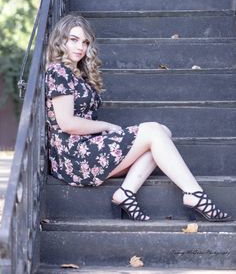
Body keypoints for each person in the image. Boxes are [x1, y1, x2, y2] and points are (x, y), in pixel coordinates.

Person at [45, 14, 231, 222]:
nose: (80, 46)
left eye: (85, 42)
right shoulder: (58, 72)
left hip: (87, 147)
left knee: (163, 132)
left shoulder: (76, 74)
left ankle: (125, 193)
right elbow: (67, 123)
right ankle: (194, 194)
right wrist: (106, 125)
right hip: (75, 156)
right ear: (60, 40)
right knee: (154, 131)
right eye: (73, 39)